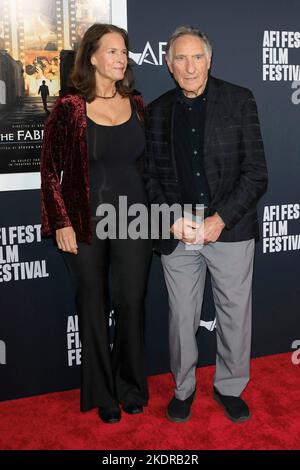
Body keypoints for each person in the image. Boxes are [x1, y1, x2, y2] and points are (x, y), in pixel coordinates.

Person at [144, 26, 268, 423]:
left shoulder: (239, 100)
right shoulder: (157, 111)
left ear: (210, 60)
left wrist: (221, 219)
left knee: (234, 312)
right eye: (180, 58)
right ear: (168, 64)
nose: (189, 66)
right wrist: (172, 218)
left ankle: (230, 386)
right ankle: (183, 388)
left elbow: (255, 173)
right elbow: (149, 177)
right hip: (178, 230)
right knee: (181, 316)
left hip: (228, 227)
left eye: (197, 57)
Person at [40, 23, 152, 424]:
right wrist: (61, 222)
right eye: (112, 51)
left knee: (131, 303)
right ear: (92, 57)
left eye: (124, 52)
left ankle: (131, 388)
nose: (121, 58)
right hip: (85, 222)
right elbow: (49, 169)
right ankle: (103, 394)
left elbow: (148, 165)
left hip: (135, 220)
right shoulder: (70, 107)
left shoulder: (137, 103)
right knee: (93, 306)